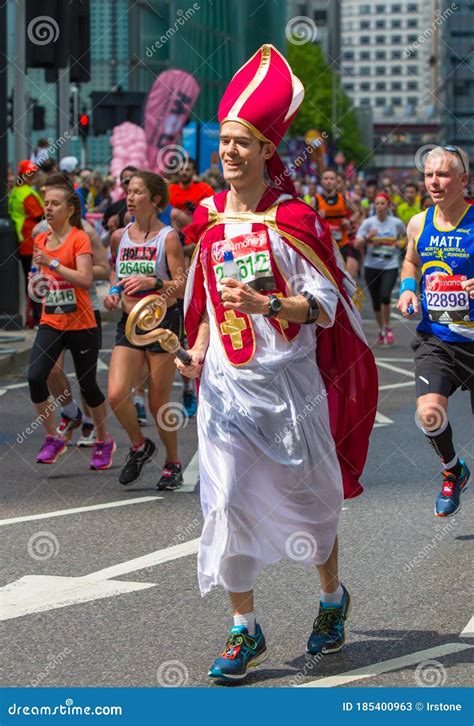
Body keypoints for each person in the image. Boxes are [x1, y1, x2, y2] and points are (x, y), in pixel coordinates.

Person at [176, 44, 377, 684]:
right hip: (226, 391)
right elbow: (204, 303)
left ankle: (331, 597)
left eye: (244, 142)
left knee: (314, 503)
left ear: (267, 151)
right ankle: (245, 628)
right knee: (225, 501)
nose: (230, 152)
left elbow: (325, 305)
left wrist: (270, 303)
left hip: (291, 387)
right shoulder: (207, 225)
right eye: (225, 142)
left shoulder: (293, 220)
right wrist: (197, 348)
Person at [398, 145, 473, 517]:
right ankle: (453, 469)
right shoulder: (419, 222)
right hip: (437, 338)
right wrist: (408, 287)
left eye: (443, 175)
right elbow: (411, 259)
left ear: (463, 180)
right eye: (429, 175)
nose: (434, 182)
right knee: (429, 415)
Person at [105, 171, 186, 490]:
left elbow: (182, 286)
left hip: (162, 323)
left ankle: (173, 462)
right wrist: (113, 292)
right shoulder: (117, 237)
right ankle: (140, 446)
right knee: (116, 393)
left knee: (157, 402)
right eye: (128, 190)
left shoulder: (168, 237)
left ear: (154, 201)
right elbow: (115, 273)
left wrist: (154, 283)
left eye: (137, 192)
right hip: (129, 322)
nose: (129, 196)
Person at [27, 176, 115, 468]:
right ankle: (53, 437)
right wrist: (35, 281)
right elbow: (36, 281)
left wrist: (53, 264)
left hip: (81, 321)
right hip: (51, 319)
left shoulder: (79, 237)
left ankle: (103, 441)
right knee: (36, 376)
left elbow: (86, 278)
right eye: (46, 204)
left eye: (54, 204)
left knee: (88, 385)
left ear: (69, 209)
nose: (48, 209)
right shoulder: (40, 239)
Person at [355, 192, 406, 345]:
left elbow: (406, 236)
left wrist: (401, 243)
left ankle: (387, 326)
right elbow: (356, 245)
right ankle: (382, 328)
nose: (379, 206)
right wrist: (367, 237)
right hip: (371, 266)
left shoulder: (395, 223)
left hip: (390, 266)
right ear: (374, 206)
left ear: (388, 206)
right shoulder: (368, 223)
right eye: (377, 204)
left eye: (382, 203)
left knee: (385, 296)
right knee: (376, 302)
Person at [8, 160, 44, 327]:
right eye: (30, 173)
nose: (34, 175)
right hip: (31, 241)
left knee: (30, 280)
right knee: (36, 279)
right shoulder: (27, 194)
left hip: (23, 240)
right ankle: (38, 318)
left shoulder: (16, 191)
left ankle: (33, 318)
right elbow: (40, 215)